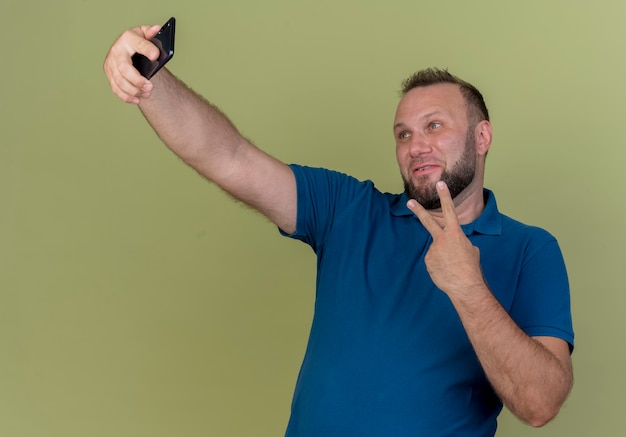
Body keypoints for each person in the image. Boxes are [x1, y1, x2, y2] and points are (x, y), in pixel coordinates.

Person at [104, 24, 574, 437]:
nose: (416, 146)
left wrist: (468, 286)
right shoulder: (349, 210)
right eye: (404, 133)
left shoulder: (530, 249)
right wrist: (149, 78)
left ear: (482, 136)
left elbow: (540, 405)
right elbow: (228, 158)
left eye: (435, 126)